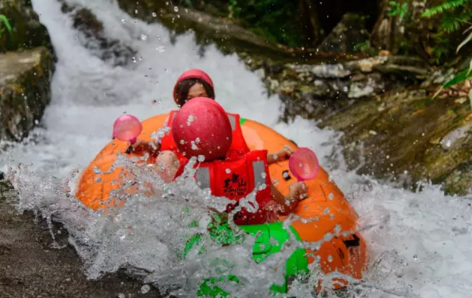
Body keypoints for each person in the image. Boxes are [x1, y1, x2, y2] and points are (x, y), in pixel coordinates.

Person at [154, 97, 307, 225]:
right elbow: (284, 207)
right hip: (257, 244)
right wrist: (295, 190)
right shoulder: (253, 167)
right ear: (227, 132)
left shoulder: (184, 179)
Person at [131, 69, 293, 165]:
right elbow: (160, 148)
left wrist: (277, 156)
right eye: (190, 99)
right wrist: (145, 146)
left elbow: (245, 161)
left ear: (211, 97)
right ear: (182, 102)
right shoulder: (172, 122)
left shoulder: (223, 124)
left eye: (203, 96)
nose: (198, 103)